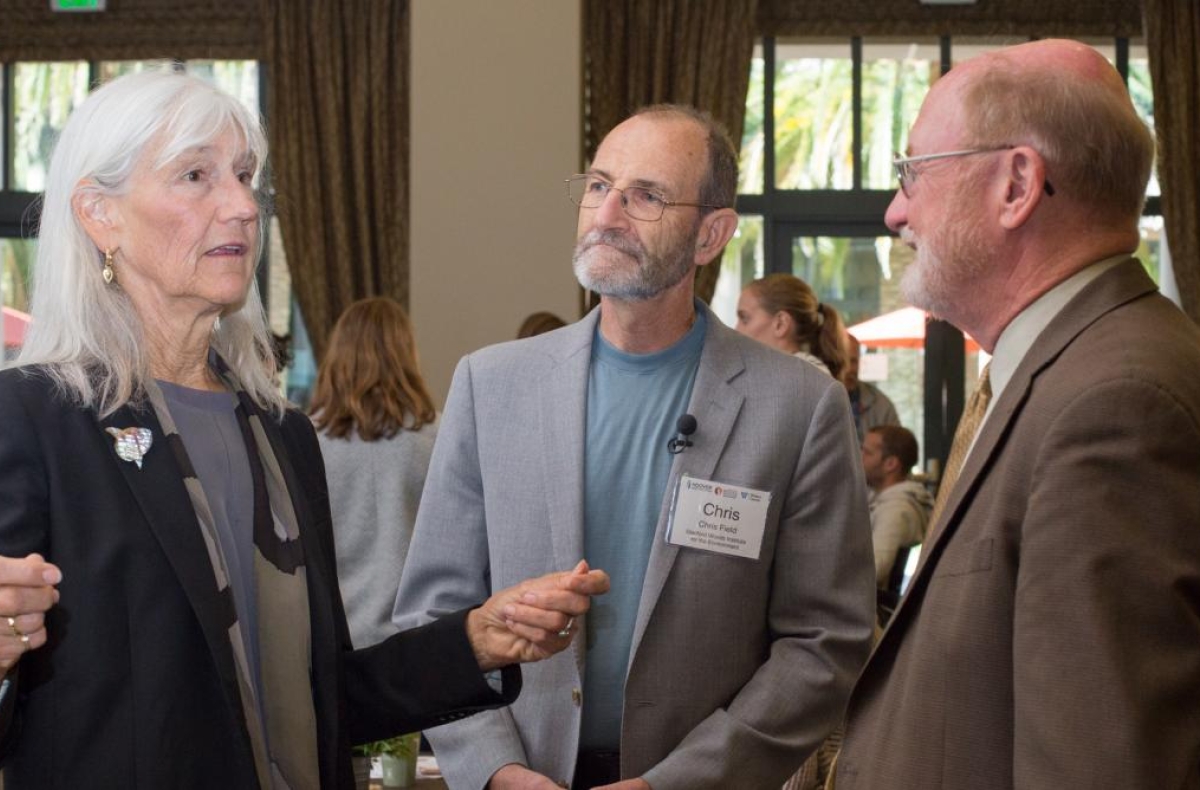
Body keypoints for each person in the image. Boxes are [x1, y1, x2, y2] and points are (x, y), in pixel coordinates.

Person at [0, 69, 609, 789]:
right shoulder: (34, 419)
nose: (241, 206)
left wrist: (475, 640)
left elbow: (321, 699)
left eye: (246, 176)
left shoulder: (281, 433)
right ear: (100, 215)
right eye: (196, 175)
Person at [394, 104, 874, 790]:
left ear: (711, 235)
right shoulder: (491, 385)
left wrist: (678, 783)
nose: (607, 214)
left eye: (646, 195)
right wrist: (496, 769)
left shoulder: (798, 407)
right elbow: (432, 614)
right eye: (598, 185)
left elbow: (825, 645)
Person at [834, 39, 1200, 789]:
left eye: (913, 172)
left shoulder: (1114, 406)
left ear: (1017, 186)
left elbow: (1098, 767)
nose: (896, 209)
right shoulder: (1061, 371)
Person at [310, 296, 438, 649]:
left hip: (334, 641)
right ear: (407, 353)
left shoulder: (305, 442)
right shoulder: (440, 438)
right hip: (416, 640)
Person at [735, 273, 847, 379]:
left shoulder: (803, 378)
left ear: (781, 324)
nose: (736, 329)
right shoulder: (802, 374)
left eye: (745, 319)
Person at [859, 425, 931, 588]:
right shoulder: (882, 500)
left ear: (890, 464)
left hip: (873, 610)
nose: (859, 457)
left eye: (867, 453)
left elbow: (874, 570)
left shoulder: (896, 510)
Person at [841, 333, 899, 442]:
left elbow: (897, 451)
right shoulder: (814, 402)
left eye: (853, 361)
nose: (849, 369)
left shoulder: (882, 406)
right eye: (843, 361)